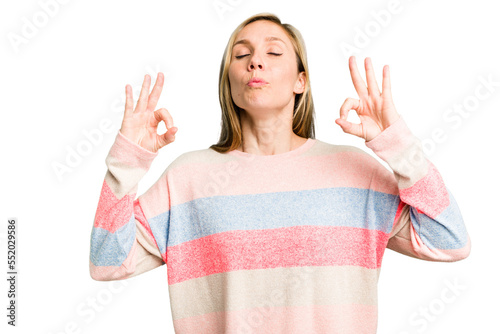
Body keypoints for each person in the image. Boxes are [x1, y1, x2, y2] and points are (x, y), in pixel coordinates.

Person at [88, 12, 471, 334]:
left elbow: (450, 240)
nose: (256, 61)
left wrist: (397, 143)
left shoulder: (357, 173)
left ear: (300, 81)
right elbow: (106, 262)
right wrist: (127, 161)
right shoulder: (188, 179)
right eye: (242, 55)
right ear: (230, 84)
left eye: (273, 51)